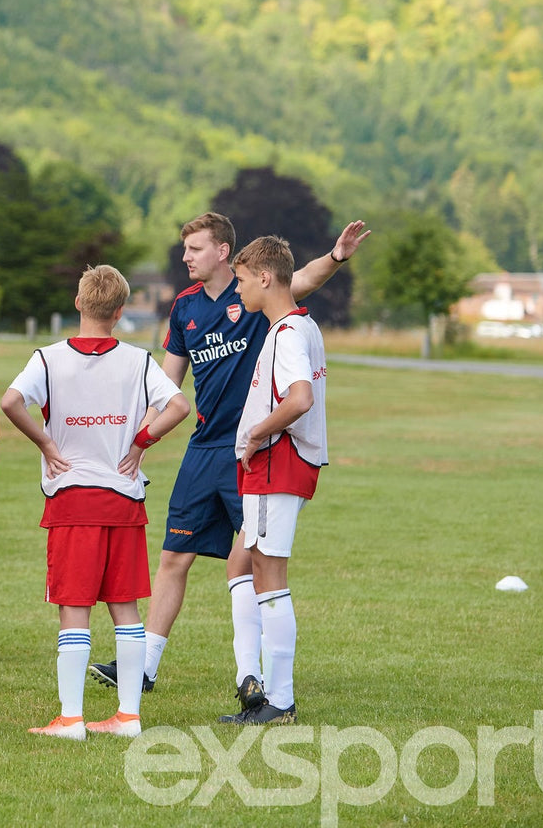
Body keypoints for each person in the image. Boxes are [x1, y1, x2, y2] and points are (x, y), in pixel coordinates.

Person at [89, 213, 368, 712]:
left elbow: (296, 281)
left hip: (255, 454)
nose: (185, 257)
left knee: (253, 566)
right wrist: (134, 437)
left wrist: (337, 256)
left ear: (222, 251)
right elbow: (166, 388)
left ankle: (255, 680)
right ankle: (145, 667)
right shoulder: (185, 308)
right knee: (176, 556)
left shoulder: (261, 305)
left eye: (194, 248)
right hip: (204, 449)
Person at [1, 265, 189, 740]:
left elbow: (10, 402)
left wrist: (46, 444)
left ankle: (71, 719)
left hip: (72, 501)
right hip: (124, 500)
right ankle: (127, 716)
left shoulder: (47, 359)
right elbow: (181, 406)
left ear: (79, 303)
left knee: (74, 610)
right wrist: (142, 440)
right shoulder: (139, 360)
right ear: (121, 311)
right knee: (125, 609)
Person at [217, 235, 328, 724]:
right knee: (240, 564)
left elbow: (300, 397)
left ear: (264, 277)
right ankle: (251, 680)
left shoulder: (286, 333)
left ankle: (280, 700)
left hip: (276, 465)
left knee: (268, 575)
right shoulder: (299, 324)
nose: (237, 290)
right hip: (282, 466)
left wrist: (258, 433)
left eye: (240, 280)